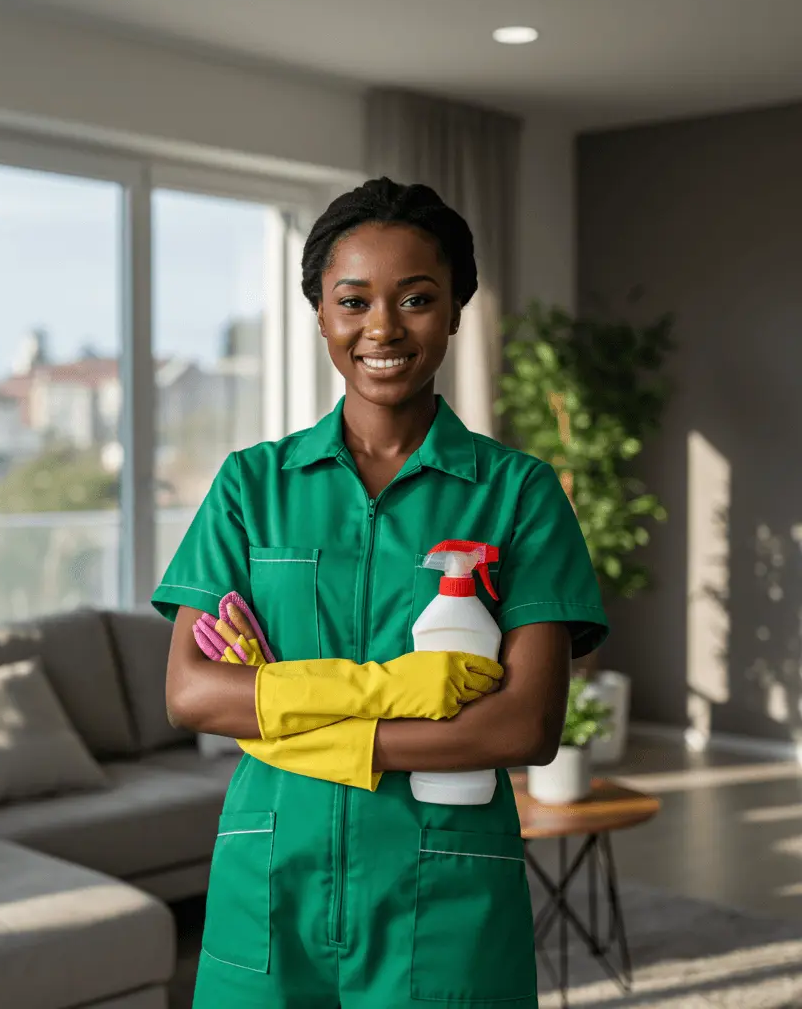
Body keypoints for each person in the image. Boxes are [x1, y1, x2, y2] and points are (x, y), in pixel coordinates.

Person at [153, 177, 608, 1009]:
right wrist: (393, 697)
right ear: (322, 314)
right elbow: (190, 691)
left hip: (443, 889)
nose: (383, 328)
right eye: (353, 300)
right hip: (271, 879)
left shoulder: (518, 494)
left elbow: (525, 724)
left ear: (457, 310)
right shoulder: (251, 486)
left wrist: (313, 738)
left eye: (417, 298)